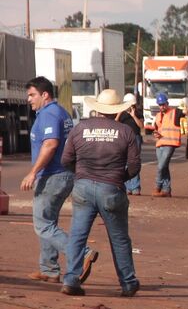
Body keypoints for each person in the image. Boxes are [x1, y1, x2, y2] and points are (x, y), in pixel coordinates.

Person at [60, 89, 141, 297]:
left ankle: (71, 279)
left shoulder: (80, 129)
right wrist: (117, 179)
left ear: (96, 108)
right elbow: (134, 166)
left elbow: (66, 160)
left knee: (77, 235)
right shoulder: (125, 132)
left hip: (83, 187)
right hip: (111, 189)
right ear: (116, 111)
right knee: (120, 238)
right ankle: (128, 282)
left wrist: (81, 175)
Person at [20, 76, 97, 284]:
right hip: (62, 174)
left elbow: (51, 144)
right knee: (49, 222)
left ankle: (82, 252)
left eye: (32, 95)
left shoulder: (49, 114)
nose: (29, 99)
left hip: (52, 175)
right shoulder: (60, 111)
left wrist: (33, 172)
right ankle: (49, 269)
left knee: (43, 225)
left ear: (45, 95)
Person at [152, 92, 182, 197]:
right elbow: (156, 128)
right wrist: (155, 134)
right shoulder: (157, 116)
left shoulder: (175, 112)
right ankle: (166, 190)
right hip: (159, 144)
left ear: (167, 103)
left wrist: (185, 107)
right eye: (160, 105)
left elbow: (187, 112)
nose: (162, 106)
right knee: (164, 167)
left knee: (160, 167)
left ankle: (157, 187)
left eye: (164, 104)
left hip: (170, 143)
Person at [120, 93, 144, 195]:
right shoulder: (121, 114)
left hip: (135, 138)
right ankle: (127, 187)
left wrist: (133, 115)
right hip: (123, 138)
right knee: (124, 162)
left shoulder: (138, 113)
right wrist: (119, 112)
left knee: (134, 162)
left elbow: (141, 126)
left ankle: (135, 187)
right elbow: (115, 123)